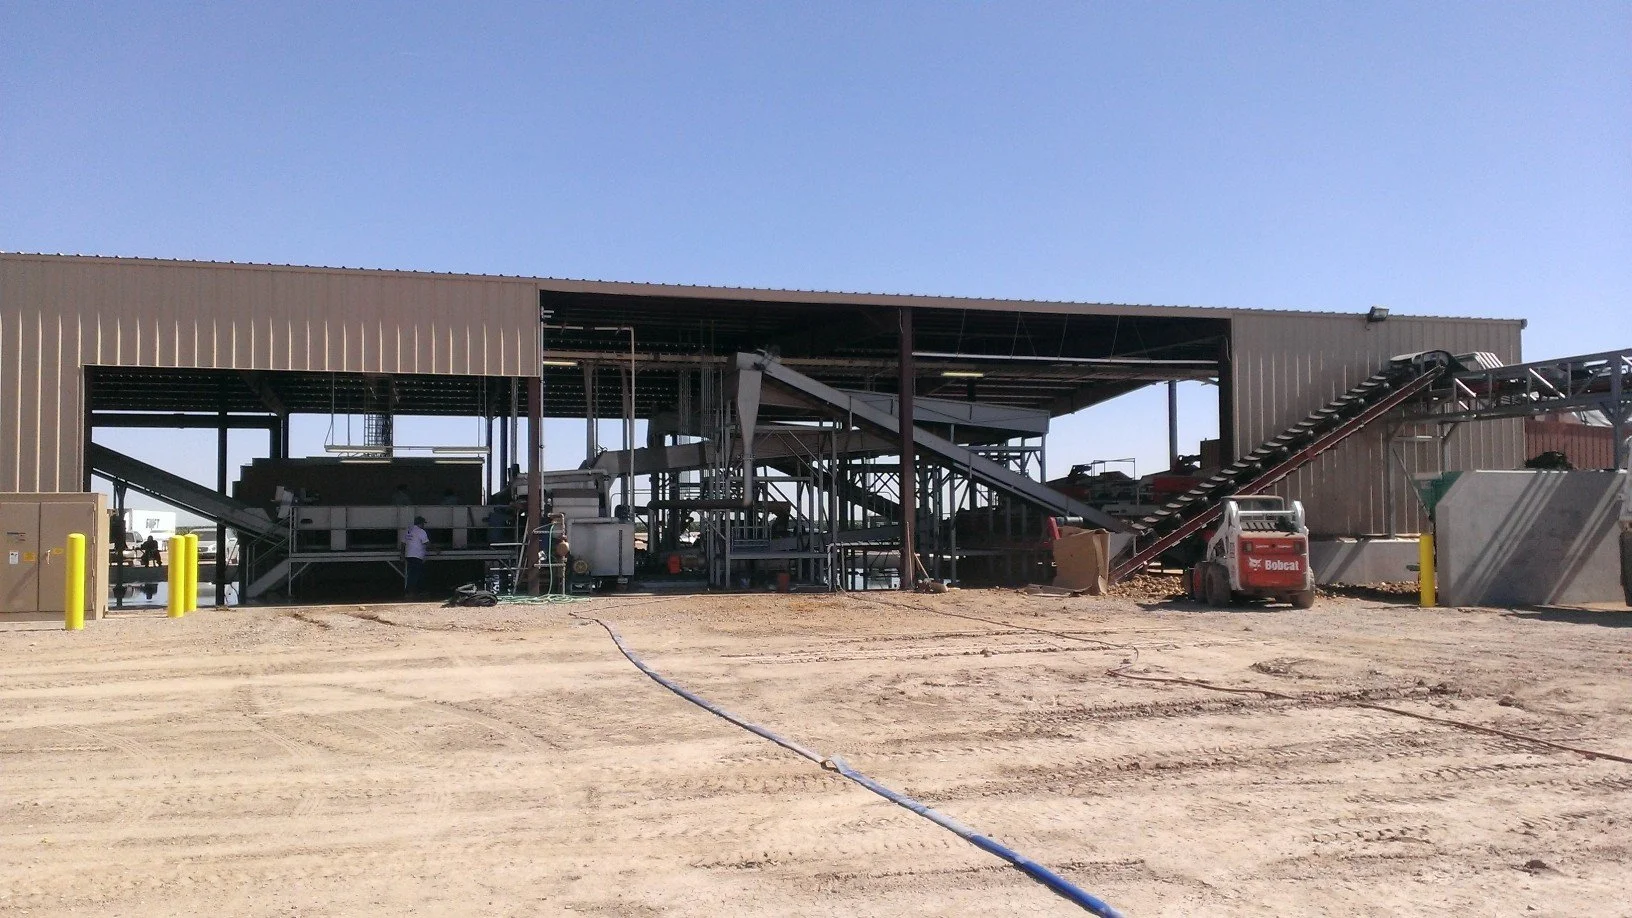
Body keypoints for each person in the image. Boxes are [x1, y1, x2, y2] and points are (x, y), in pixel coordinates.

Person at [402, 515, 430, 596]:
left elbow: (403, 543)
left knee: (412, 573)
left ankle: (416, 590)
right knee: (415, 574)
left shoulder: (408, 530)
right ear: (421, 523)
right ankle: (410, 591)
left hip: (408, 555)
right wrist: (436, 549)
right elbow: (426, 543)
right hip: (417, 555)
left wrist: (402, 554)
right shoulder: (421, 531)